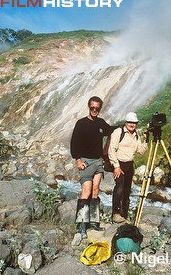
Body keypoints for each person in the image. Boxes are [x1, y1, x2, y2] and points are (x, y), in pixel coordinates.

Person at [70, 96, 113, 238]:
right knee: (86, 191)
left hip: (98, 161)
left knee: (95, 191)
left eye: (97, 108)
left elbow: (111, 130)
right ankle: (82, 225)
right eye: (92, 107)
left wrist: (126, 126)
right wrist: (78, 160)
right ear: (88, 107)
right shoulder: (81, 123)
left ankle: (94, 222)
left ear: (100, 109)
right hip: (86, 162)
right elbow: (74, 143)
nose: (94, 110)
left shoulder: (101, 123)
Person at [108, 112, 148, 223]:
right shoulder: (118, 132)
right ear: (126, 122)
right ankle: (115, 213)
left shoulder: (136, 134)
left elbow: (141, 150)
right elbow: (112, 149)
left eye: (134, 122)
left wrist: (146, 140)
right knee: (119, 187)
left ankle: (124, 215)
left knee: (127, 190)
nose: (132, 124)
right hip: (119, 164)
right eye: (130, 122)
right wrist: (116, 166)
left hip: (130, 165)